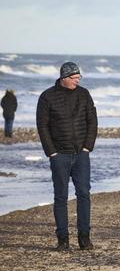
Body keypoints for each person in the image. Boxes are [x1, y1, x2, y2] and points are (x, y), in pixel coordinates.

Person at [36, 62, 98, 251]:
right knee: (61, 197)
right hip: (59, 155)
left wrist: (88, 147)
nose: (77, 81)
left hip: (81, 154)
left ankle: (84, 238)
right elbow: (42, 126)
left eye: (79, 78)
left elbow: (92, 121)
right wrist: (52, 152)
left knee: (84, 194)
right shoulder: (47, 97)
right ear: (64, 77)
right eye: (74, 78)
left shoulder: (84, 94)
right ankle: (62, 239)